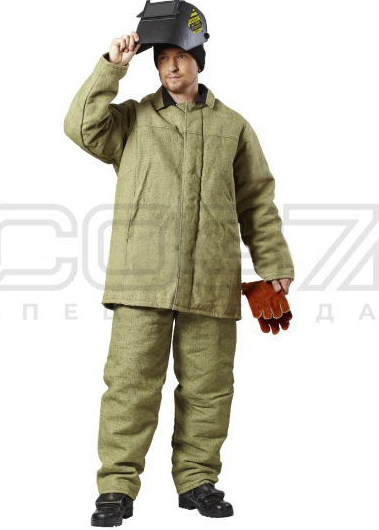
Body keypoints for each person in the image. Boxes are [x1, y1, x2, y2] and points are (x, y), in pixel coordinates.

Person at [64, 30, 294, 527]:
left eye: (182, 57)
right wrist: (112, 66)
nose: (172, 66)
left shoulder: (233, 126)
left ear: (199, 63)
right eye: (164, 58)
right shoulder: (131, 120)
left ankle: (197, 481)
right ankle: (116, 487)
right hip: (140, 277)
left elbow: (257, 201)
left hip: (212, 277)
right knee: (130, 385)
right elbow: (80, 126)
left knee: (209, 387)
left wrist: (274, 267)